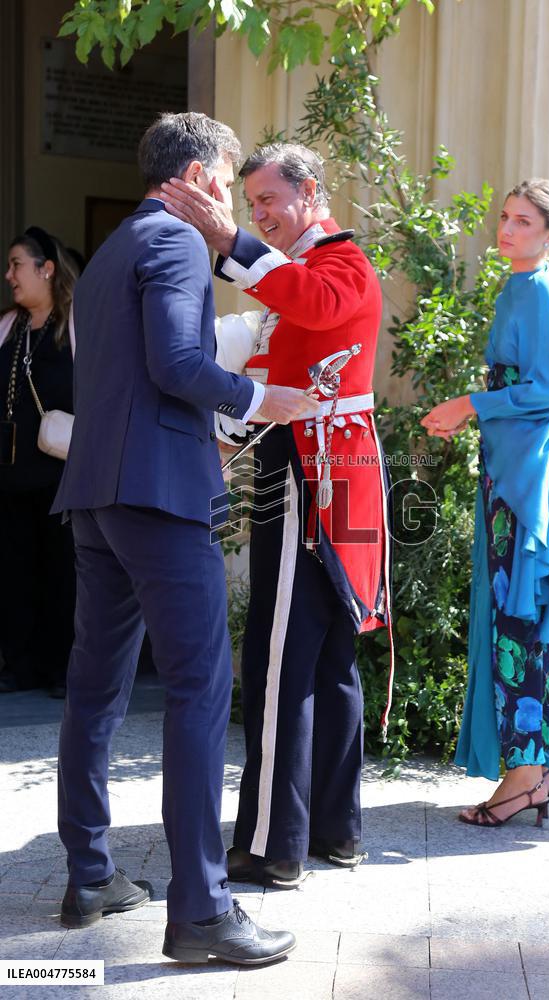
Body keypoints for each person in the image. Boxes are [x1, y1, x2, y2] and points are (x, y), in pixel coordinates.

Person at [53, 113, 320, 964]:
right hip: (159, 498)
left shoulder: (109, 253)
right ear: (202, 175)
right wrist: (256, 401)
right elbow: (175, 362)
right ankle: (200, 912)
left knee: (94, 691)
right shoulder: (172, 242)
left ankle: (90, 873)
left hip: (97, 497)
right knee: (201, 692)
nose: (227, 199)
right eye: (227, 179)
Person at [161, 142, 391, 888]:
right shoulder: (305, 270)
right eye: (250, 203)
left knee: (280, 657)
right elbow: (286, 337)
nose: (257, 214)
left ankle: (272, 845)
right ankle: (334, 831)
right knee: (325, 659)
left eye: (268, 200)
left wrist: (229, 240)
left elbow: (310, 300)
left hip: (315, 472)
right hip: (333, 470)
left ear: (312, 192)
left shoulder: (341, 263)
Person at [421, 179, 549, 826]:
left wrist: (468, 404)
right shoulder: (519, 287)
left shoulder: (543, 291)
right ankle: (527, 772)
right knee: (514, 621)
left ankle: (526, 774)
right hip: (511, 473)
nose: (507, 229)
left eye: (524, 221)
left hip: (528, 485)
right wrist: (470, 415)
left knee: (520, 621)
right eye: (505, 217)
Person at [0, 227, 78, 697]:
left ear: (45, 269)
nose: (9, 275)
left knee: (62, 574)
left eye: (16, 265)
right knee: (13, 573)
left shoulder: (75, 327)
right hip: (10, 475)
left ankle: (62, 669)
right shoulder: (8, 326)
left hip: (61, 473)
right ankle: (19, 665)